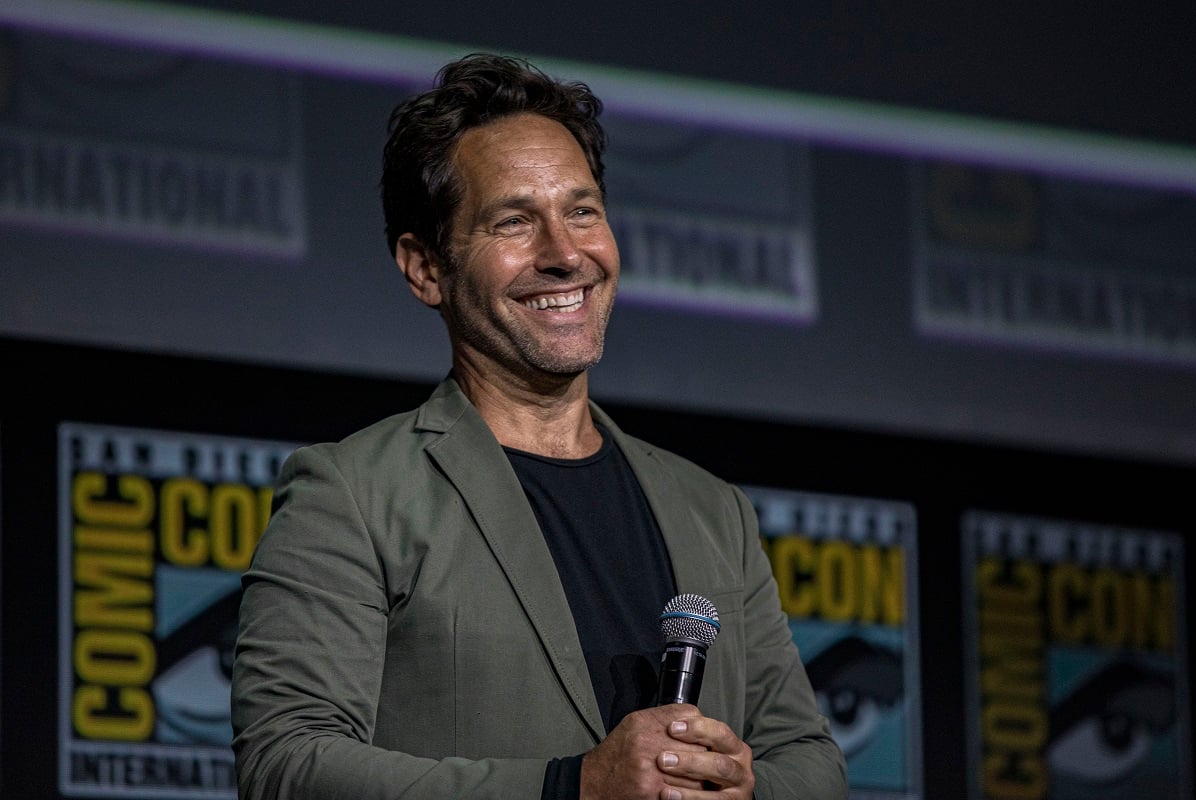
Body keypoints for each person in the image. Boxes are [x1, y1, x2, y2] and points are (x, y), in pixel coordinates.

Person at [231, 52, 847, 800]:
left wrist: (742, 790)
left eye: (582, 211)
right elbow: (287, 765)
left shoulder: (713, 510)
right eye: (514, 222)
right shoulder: (351, 495)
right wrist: (571, 787)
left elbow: (808, 762)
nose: (564, 254)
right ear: (426, 268)